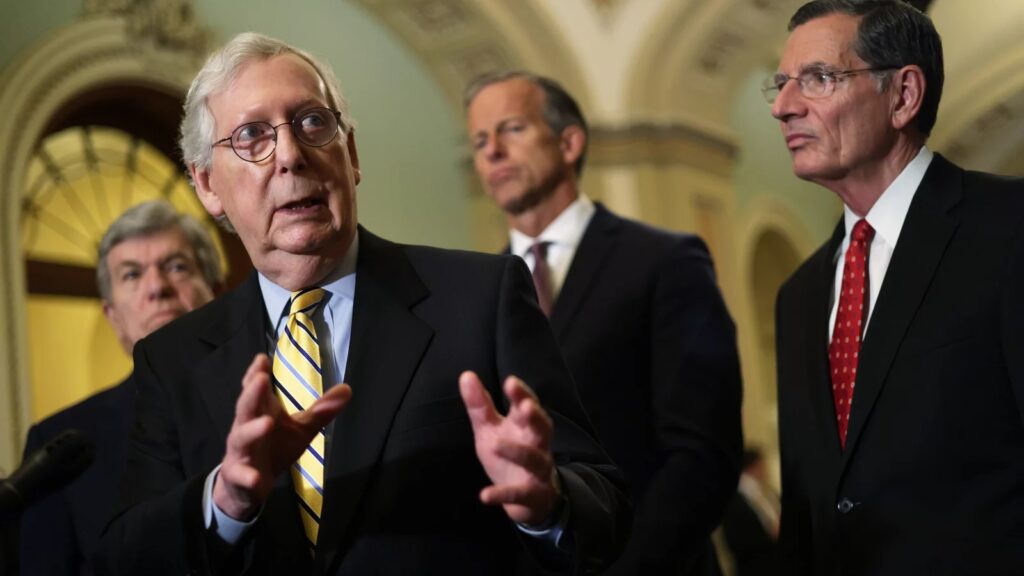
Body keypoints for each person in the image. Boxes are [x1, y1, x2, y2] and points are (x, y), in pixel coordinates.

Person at [95, 33, 630, 576]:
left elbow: (605, 508)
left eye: (311, 122)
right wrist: (226, 498)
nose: (290, 155)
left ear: (349, 154)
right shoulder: (172, 359)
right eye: (252, 136)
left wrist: (547, 501)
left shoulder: (480, 297)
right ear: (207, 185)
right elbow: (126, 557)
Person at [768, 1, 1024, 574]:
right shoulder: (798, 296)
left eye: (818, 78)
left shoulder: (1010, 228)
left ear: (903, 95)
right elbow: (807, 515)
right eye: (781, 84)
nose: (784, 107)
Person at [464, 71, 742, 575]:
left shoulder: (665, 261)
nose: (492, 152)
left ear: (569, 142)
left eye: (512, 129)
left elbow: (702, 454)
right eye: (480, 140)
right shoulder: (479, 295)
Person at [20, 200, 222, 575]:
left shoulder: (281, 400)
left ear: (215, 290)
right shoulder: (59, 446)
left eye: (176, 266)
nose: (157, 287)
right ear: (112, 317)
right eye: (131, 275)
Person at [719, 449, 780, 576]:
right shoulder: (734, 498)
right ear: (755, 466)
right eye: (763, 465)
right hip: (754, 566)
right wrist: (771, 535)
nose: (766, 469)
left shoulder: (765, 491)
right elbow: (736, 539)